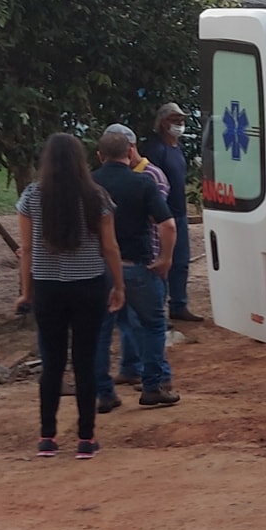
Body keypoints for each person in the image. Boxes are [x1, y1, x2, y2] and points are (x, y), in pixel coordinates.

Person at [16, 133, 125, 459]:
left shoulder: (32, 196)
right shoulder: (96, 196)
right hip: (88, 285)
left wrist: (26, 292)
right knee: (85, 361)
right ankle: (85, 439)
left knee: (52, 362)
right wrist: (119, 285)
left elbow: (26, 249)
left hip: (48, 287)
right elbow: (109, 247)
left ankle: (47, 437)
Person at [92, 127, 178, 412]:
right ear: (129, 152)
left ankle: (104, 393)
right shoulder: (142, 183)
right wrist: (165, 259)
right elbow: (167, 224)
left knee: (100, 331)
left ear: (99, 155)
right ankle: (153, 386)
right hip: (138, 267)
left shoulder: (89, 185)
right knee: (153, 326)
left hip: (99, 270)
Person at [141, 103, 201, 323]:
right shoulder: (157, 150)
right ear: (163, 122)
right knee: (162, 261)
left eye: (182, 119)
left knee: (181, 261)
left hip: (180, 213)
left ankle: (179, 304)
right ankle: (159, 307)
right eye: (175, 119)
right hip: (163, 215)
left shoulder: (177, 147)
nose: (179, 123)